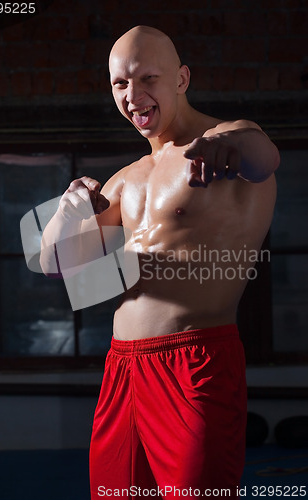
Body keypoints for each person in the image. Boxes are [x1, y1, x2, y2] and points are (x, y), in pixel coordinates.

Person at [40, 26, 279, 499]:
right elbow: (55, 266)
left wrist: (224, 149)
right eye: (120, 84)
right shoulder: (124, 180)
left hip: (196, 363)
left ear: (182, 78)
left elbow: (263, 158)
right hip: (122, 371)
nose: (134, 96)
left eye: (148, 78)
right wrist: (67, 211)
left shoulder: (229, 139)